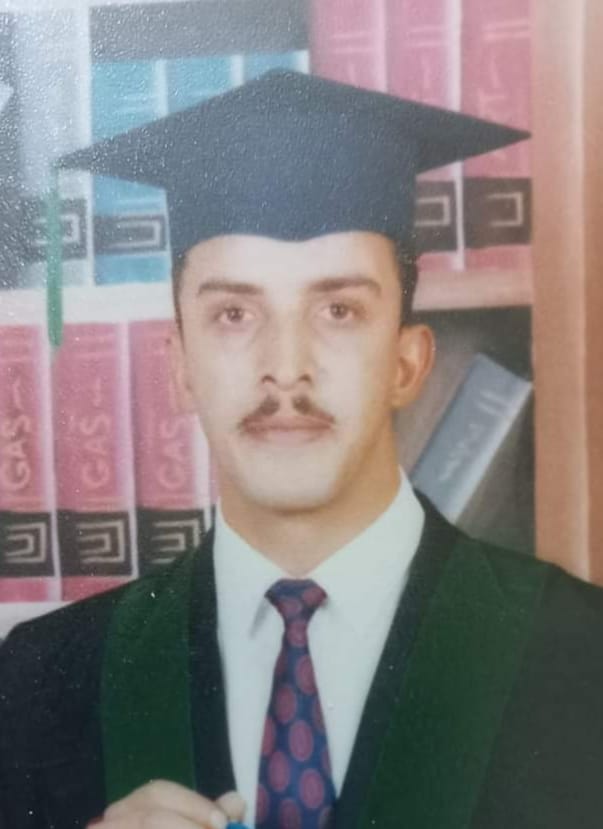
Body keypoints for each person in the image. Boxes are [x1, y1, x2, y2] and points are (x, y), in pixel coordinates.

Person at [2, 70, 603, 829]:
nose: (285, 368)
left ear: (407, 363)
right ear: (179, 367)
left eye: (338, 309)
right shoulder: (43, 680)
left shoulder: (579, 653)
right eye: (233, 314)